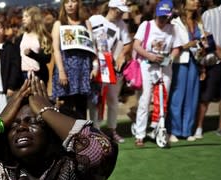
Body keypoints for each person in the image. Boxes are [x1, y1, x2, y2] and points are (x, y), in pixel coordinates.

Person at [132, 0, 182, 147]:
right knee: (145, 98)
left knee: (162, 98)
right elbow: (136, 45)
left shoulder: (172, 28)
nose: (162, 20)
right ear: (156, 14)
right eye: (160, 16)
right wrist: (150, 56)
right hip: (147, 66)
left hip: (164, 67)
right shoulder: (146, 25)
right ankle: (140, 134)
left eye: (165, 17)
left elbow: (176, 47)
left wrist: (171, 58)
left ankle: (157, 127)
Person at [89, 0, 133, 143]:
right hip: (96, 67)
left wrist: (121, 54)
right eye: (117, 10)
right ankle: (95, 131)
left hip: (113, 69)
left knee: (113, 100)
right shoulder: (94, 20)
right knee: (96, 101)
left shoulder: (122, 25)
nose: (120, 13)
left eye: (122, 11)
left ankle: (112, 130)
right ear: (111, 7)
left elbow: (127, 44)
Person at [195, 0, 221, 139]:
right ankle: (198, 127)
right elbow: (205, 35)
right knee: (205, 96)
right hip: (213, 60)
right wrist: (220, 52)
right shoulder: (209, 14)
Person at [51, 0, 98, 120]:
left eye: (73, 1)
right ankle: (66, 136)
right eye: (67, 2)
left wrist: (95, 65)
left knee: (81, 108)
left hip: (83, 70)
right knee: (65, 108)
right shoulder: (59, 24)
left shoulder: (86, 23)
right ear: (63, 5)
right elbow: (56, 49)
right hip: (65, 70)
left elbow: (92, 47)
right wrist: (61, 71)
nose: (70, 5)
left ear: (78, 4)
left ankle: (82, 136)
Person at [168, 0, 203, 142]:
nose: (196, 2)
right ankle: (174, 130)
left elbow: (201, 43)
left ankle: (187, 130)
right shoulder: (175, 23)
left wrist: (203, 47)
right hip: (179, 62)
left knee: (192, 97)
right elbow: (171, 45)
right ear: (184, 4)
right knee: (177, 97)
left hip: (195, 62)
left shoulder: (199, 23)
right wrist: (188, 45)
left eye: (197, 0)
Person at [16, 6, 52, 86]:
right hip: (22, 75)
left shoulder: (42, 36)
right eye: (23, 16)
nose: (23, 19)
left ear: (34, 18)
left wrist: (32, 54)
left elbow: (47, 58)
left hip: (38, 75)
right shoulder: (20, 36)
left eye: (26, 16)